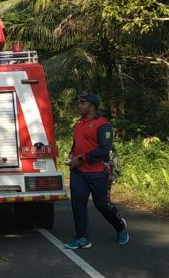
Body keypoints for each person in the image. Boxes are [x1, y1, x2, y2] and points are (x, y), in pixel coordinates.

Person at [63, 93, 129, 249]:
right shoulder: (78, 123)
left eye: (83, 102)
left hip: (98, 172)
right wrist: (72, 155)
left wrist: (81, 158)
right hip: (79, 173)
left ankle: (120, 227)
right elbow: (76, 144)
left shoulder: (102, 124)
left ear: (92, 106)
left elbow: (104, 150)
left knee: (102, 205)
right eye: (79, 102)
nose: (79, 105)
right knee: (78, 205)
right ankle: (82, 238)